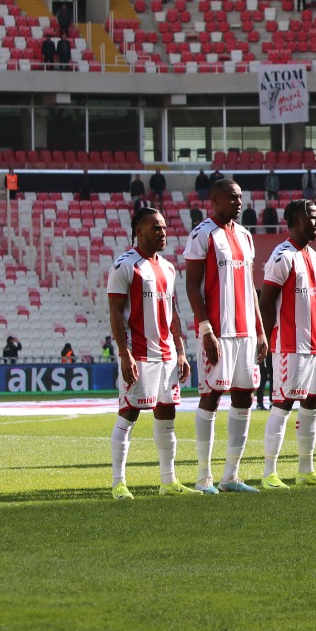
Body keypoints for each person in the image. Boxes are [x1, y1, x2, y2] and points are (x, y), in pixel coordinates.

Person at [106, 207, 200, 498]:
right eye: (156, 228)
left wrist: (181, 350)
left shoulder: (168, 267)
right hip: (139, 354)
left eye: (164, 227)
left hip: (167, 354)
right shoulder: (125, 266)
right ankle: (118, 482)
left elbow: (173, 312)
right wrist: (124, 353)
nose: (163, 233)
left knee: (167, 415)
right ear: (138, 230)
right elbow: (115, 313)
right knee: (128, 415)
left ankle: (168, 481)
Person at [184, 178, 266, 494]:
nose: (238, 202)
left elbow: (250, 288)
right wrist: (205, 329)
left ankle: (231, 476)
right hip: (217, 331)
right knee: (212, 396)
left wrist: (260, 330)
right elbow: (192, 286)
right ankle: (204, 477)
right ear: (214, 201)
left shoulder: (245, 236)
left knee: (244, 395)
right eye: (231, 197)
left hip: (246, 331)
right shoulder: (202, 235)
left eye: (241, 197)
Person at [257, 200, 316, 490]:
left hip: (315, 345)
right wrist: (263, 339)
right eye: (310, 217)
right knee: (282, 404)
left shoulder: (314, 256)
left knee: (313, 402)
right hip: (289, 345)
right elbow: (265, 304)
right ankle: (269, 473)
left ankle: (305, 469)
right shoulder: (282, 256)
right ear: (293, 220)